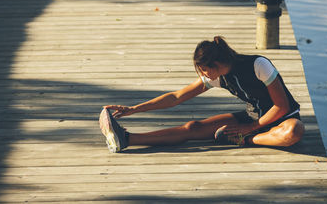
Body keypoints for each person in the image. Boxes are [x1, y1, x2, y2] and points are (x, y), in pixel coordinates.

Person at [99, 36, 305, 153]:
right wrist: (134, 109)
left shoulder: (258, 65)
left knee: (293, 133)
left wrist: (249, 130)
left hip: (281, 120)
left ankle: (247, 140)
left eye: (204, 70)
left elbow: (282, 107)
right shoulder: (217, 76)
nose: (203, 75)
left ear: (215, 64)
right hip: (252, 118)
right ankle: (126, 139)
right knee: (193, 127)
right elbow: (177, 97)